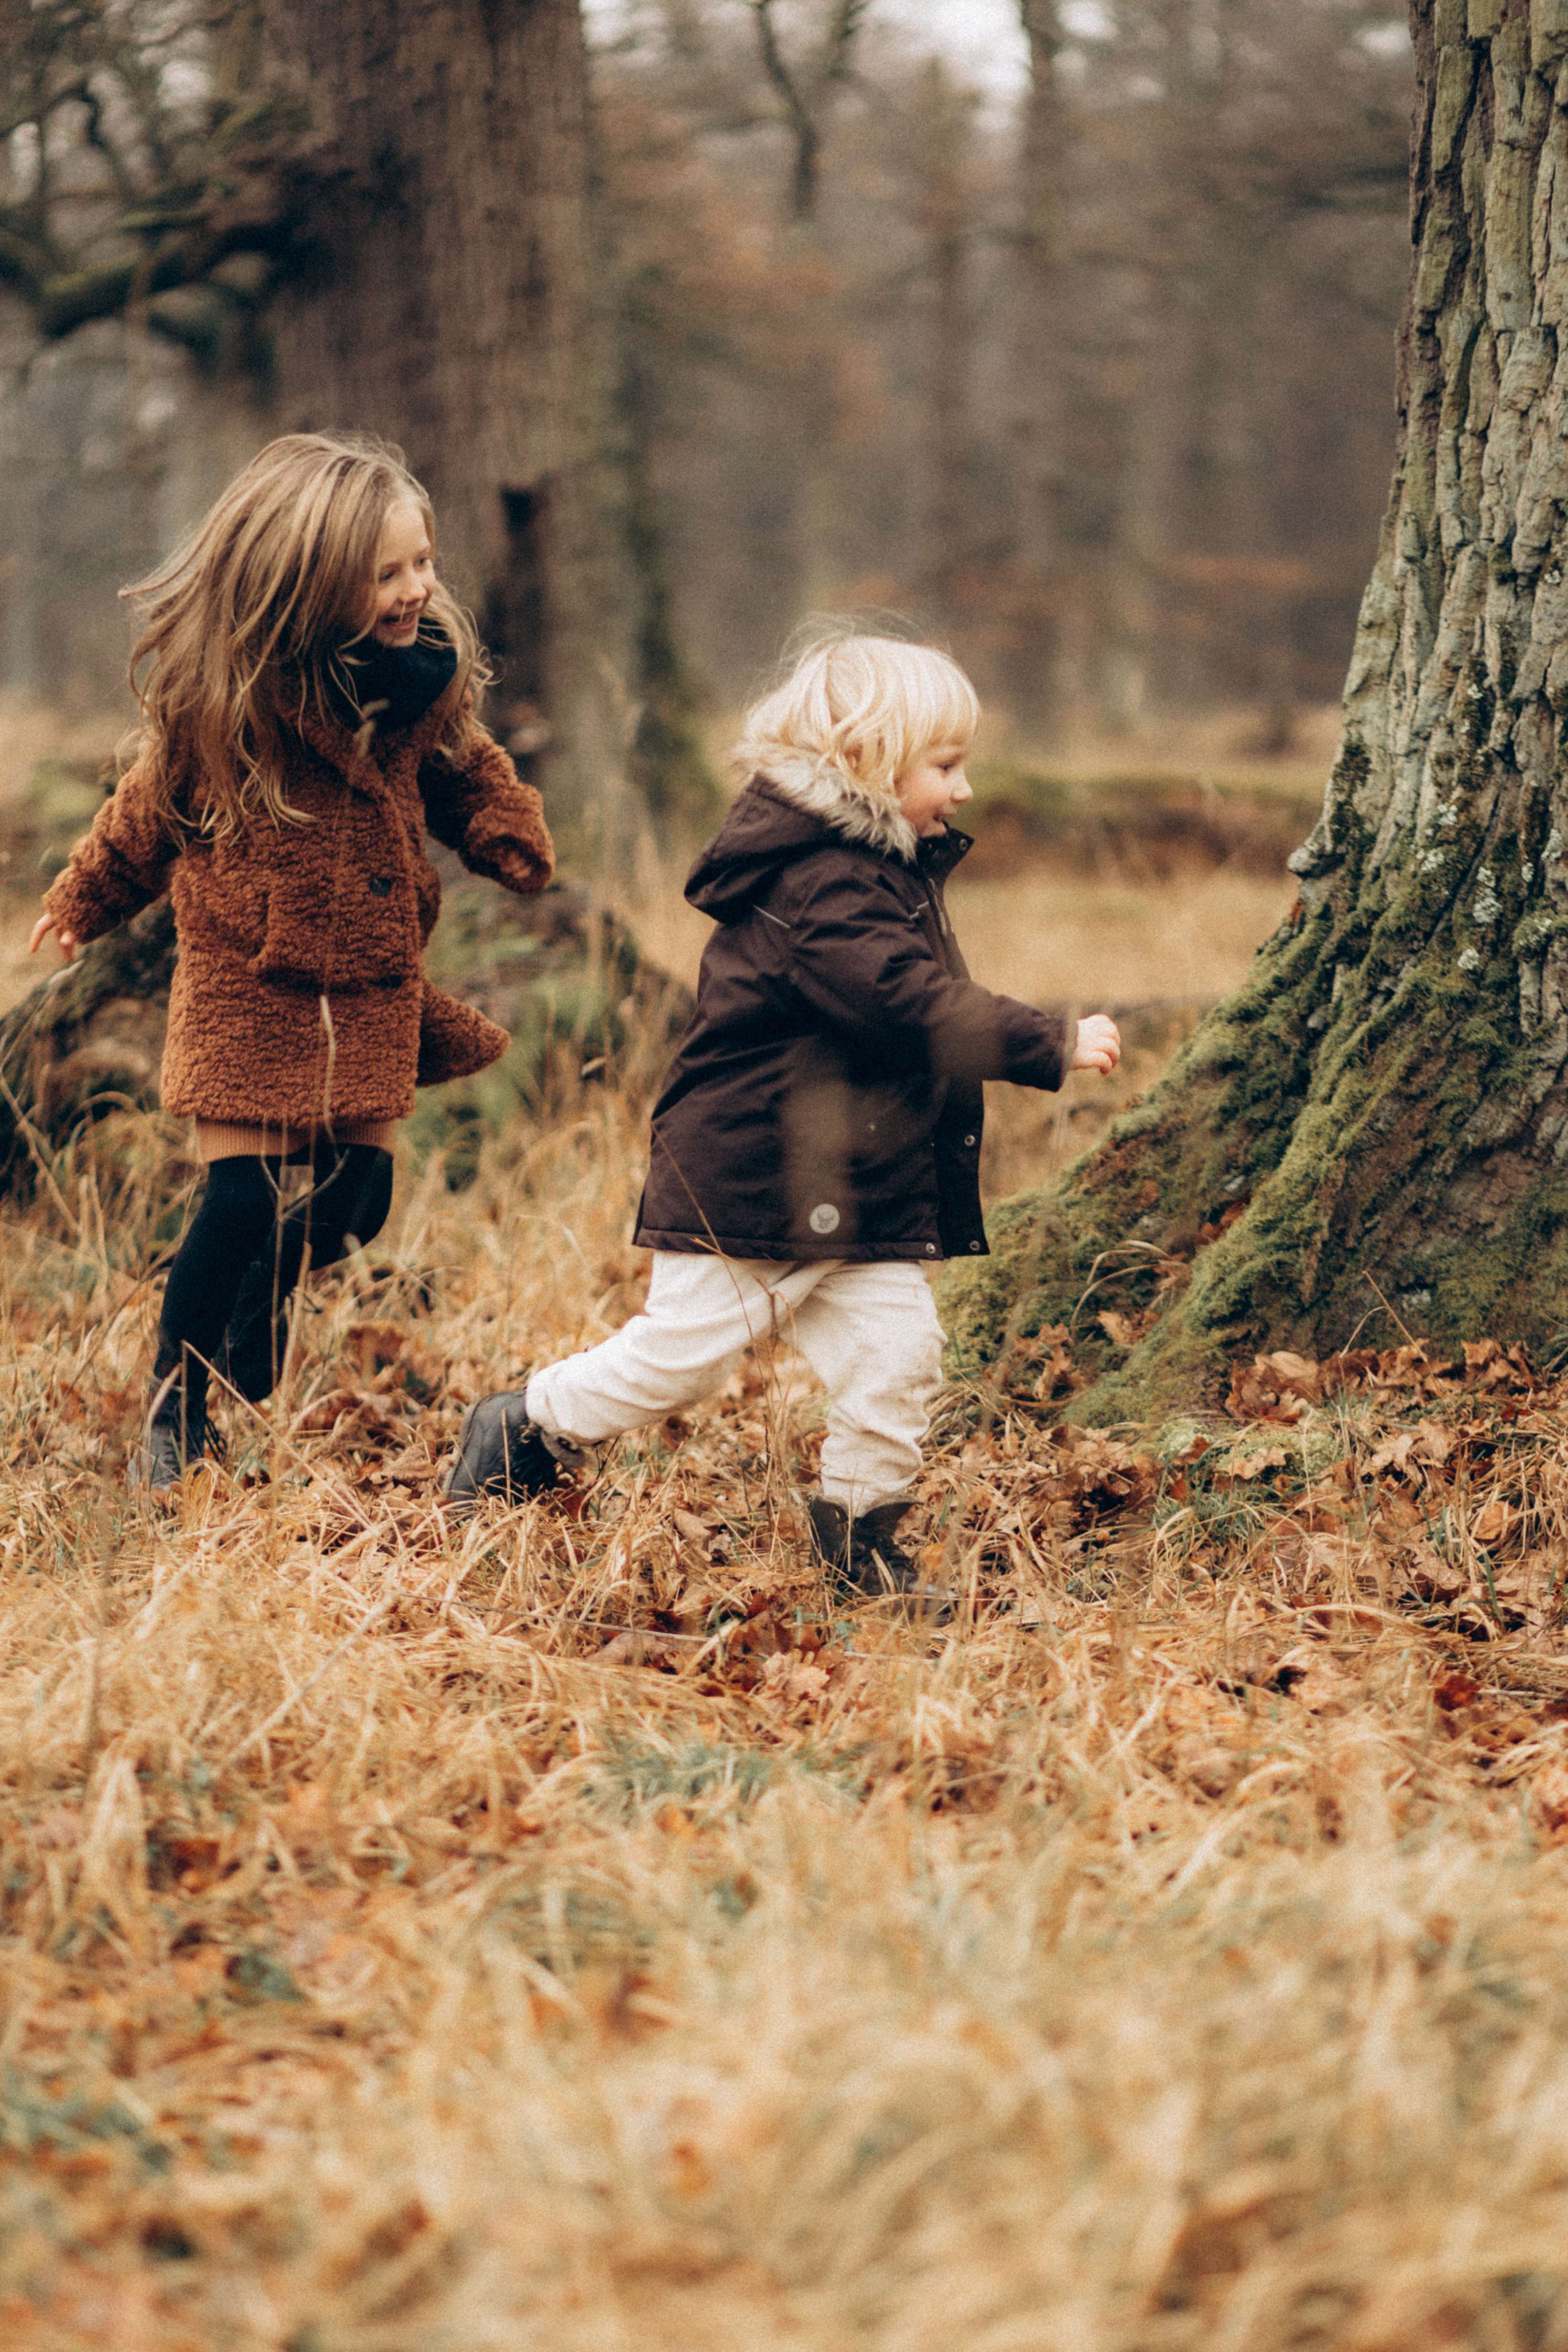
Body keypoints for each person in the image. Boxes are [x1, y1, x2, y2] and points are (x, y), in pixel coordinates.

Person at [443, 629, 1120, 1602]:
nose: (965, 789)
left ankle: (862, 1545)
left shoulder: (879, 866)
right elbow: (904, 1003)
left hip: (853, 1185)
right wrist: (1046, 1041)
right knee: (676, 1365)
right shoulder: (822, 881)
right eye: (945, 765)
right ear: (869, 760)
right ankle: (523, 1423)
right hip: (754, 1179)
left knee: (899, 1359)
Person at [31, 431, 555, 1488]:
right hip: (247, 982)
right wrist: (83, 899)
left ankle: (263, 1295)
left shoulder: (422, 684)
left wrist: (501, 830)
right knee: (238, 1201)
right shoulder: (231, 702)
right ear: (310, 582)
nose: (417, 589)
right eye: (388, 573)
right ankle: (175, 1414)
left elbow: (465, 768)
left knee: (358, 1201)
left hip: (365, 985)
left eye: (423, 563)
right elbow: (144, 817)